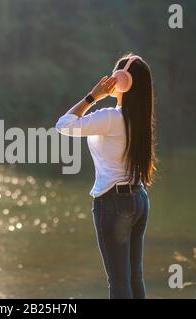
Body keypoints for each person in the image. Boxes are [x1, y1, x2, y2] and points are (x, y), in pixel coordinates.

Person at [55, 54, 157, 299]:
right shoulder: (141, 118)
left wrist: (93, 96)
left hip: (114, 203)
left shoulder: (111, 117)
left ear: (121, 81)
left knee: (118, 283)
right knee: (134, 279)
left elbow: (63, 125)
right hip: (139, 198)